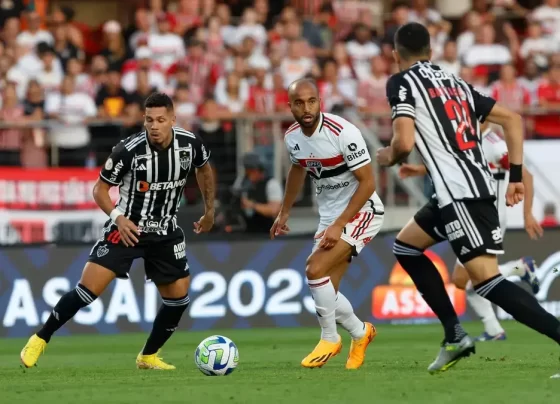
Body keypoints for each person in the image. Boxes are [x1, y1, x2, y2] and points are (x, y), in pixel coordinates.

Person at [376, 22, 560, 378]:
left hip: (461, 194)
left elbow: (403, 142)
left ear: (396, 55)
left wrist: (388, 156)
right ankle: (455, 335)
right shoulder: (455, 84)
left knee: (486, 281)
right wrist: (517, 177)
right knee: (406, 247)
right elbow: (513, 119)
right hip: (465, 189)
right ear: (430, 51)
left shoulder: (402, 82)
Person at [20, 93, 215, 370]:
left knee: (178, 300)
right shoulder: (128, 150)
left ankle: (148, 356)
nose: (154, 126)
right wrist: (118, 216)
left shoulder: (191, 143)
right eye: (149, 120)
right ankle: (40, 337)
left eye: (161, 120)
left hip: (165, 231)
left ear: (173, 119)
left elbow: (204, 170)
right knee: (87, 290)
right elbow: (99, 189)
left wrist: (210, 211)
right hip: (127, 229)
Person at [271, 79, 385, 370]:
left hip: (362, 211)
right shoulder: (292, 136)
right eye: (299, 103)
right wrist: (284, 212)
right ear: (291, 106)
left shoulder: (343, 132)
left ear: (320, 101)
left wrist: (339, 225)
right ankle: (361, 333)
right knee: (326, 292)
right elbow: (297, 170)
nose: (306, 108)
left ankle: (330, 338)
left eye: (311, 101)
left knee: (314, 269)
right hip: (329, 215)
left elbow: (368, 182)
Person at [398, 121, 543, 341]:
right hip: (469, 214)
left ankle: (519, 268)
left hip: (486, 218)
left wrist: (527, 214)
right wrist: (419, 170)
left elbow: (526, 175)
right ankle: (494, 330)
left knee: (474, 278)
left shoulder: (493, 144)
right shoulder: (468, 141)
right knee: (464, 282)